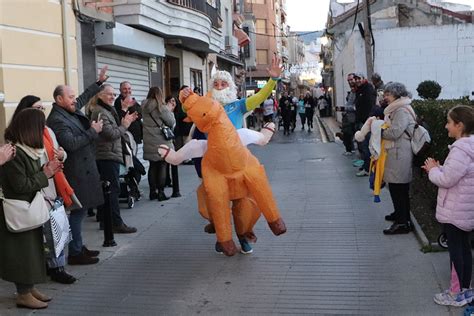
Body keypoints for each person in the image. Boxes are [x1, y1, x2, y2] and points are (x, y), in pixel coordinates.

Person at [11, 96, 78, 284]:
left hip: (54, 184)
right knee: (45, 230)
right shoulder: (19, 138)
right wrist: (45, 171)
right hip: (38, 189)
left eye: (42, 108)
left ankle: (57, 266)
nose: (41, 112)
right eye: (36, 108)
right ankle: (51, 267)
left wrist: (62, 155)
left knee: (56, 226)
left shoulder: (48, 130)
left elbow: (57, 153)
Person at [1, 109, 62, 309]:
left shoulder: (29, 150)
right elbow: (21, 185)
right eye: (41, 126)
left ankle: (29, 287)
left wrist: (47, 171)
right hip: (19, 210)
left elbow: (31, 179)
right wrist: (46, 174)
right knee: (22, 253)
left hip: (29, 208)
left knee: (33, 251)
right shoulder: (15, 153)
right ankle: (23, 292)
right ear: (31, 129)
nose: (43, 130)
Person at [47, 67, 108, 265]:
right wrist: (92, 131)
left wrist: (98, 83)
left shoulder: (68, 109)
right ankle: (74, 252)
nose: (75, 99)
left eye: (73, 96)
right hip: (75, 171)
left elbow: (82, 98)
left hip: (83, 167)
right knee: (77, 211)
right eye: (70, 96)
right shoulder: (57, 119)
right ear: (59, 100)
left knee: (80, 211)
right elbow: (71, 144)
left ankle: (78, 246)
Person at [422, 105, 474, 307]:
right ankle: (466, 290)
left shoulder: (460, 150)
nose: (446, 126)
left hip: (455, 211)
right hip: (465, 210)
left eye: (449, 122)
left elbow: (447, 180)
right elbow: (460, 175)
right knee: (464, 249)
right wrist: (441, 168)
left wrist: (432, 170)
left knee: (456, 253)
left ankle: (455, 294)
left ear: (459, 125)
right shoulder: (470, 147)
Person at [88, 84, 139, 233]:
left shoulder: (106, 110)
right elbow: (111, 134)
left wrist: (124, 117)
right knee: (112, 190)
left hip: (109, 154)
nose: (112, 97)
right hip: (107, 155)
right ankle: (116, 223)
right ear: (99, 96)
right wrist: (125, 125)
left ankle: (106, 222)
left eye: (114, 94)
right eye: (109, 94)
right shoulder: (101, 112)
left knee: (108, 190)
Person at [372, 82, 415, 235]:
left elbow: (396, 131)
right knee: (397, 187)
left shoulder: (401, 110)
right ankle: (400, 214)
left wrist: (378, 131)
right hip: (396, 152)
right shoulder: (396, 108)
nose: (385, 97)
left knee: (399, 188)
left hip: (400, 152)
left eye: (388, 95)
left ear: (396, 95)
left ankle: (403, 223)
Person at [142, 87, 176, 201]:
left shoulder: (144, 106)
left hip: (148, 141)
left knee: (152, 166)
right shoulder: (162, 107)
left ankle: (152, 192)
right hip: (161, 141)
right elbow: (171, 122)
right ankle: (161, 192)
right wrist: (170, 110)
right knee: (162, 165)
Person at [354, 73, 377, 177]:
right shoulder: (359, 90)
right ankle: (366, 166)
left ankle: (368, 168)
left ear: (364, 79)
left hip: (366, 122)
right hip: (362, 121)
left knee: (366, 146)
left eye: (359, 78)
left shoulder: (368, 89)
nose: (357, 80)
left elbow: (369, 105)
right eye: (356, 79)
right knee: (362, 145)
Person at [165, 95, 181, 198]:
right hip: (167, 141)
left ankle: (169, 182)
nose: (173, 103)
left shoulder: (175, 113)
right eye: (171, 101)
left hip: (173, 139)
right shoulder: (167, 113)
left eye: (174, 101)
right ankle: (172, 186)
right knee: (169, 162)